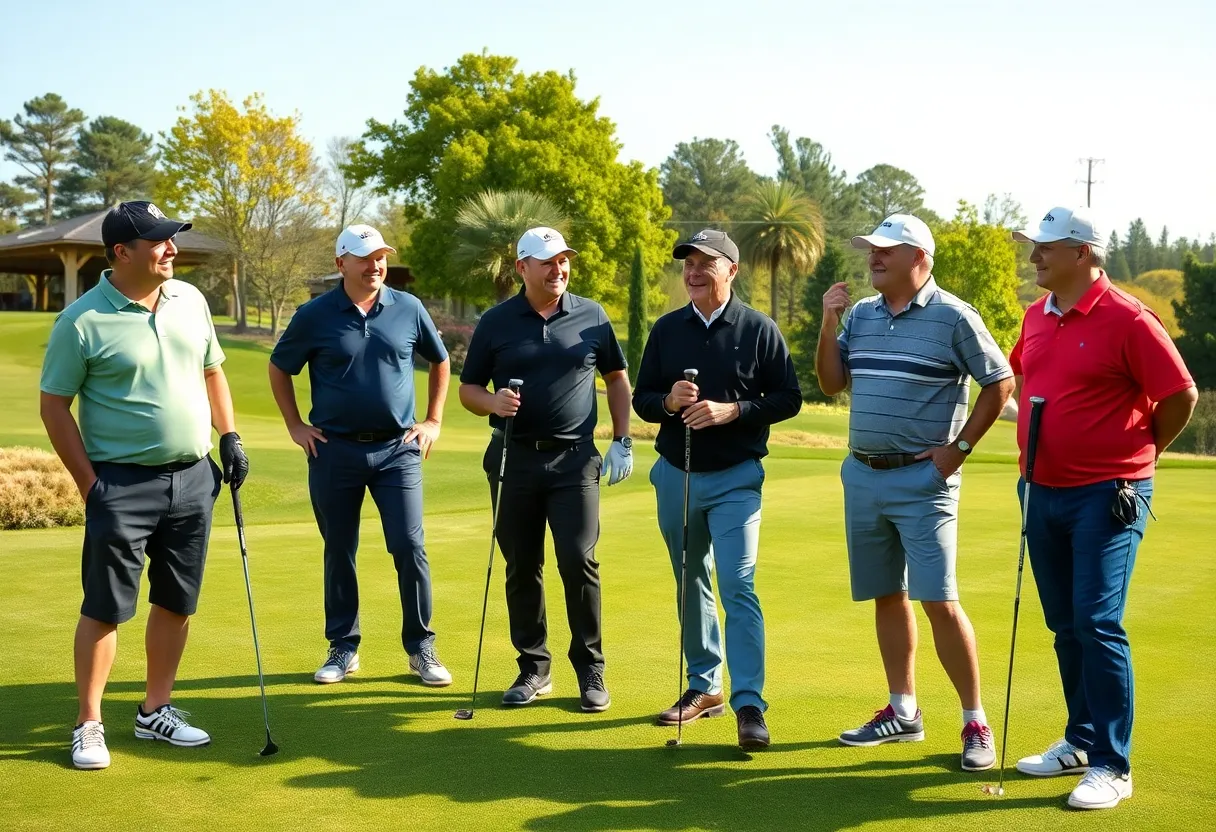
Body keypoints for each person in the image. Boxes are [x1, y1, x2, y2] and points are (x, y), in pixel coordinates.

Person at [39, 200, 249, 770]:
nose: (171, 249)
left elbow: (212, 369)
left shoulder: (190, 300)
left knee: (177, 602)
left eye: (171, 238)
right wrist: (91, 486)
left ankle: (156, 709)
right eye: (158, 241)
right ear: (121, 253)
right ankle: (88, 722)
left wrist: (227, 436)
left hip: (193, 476)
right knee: (105, 607)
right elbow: (54, 406)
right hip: (121, 484)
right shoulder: (81, 321)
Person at [1008, 206, 1197, 809]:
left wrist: (1137, 456)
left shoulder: (1129, 319)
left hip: (1108, 494)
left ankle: (1114, 764)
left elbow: (1179, 394)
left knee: (1096, 621)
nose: (1035, 256)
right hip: (1040, 489)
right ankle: (1082, 740)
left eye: (1046, 248)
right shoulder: (1036, 315)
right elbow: (1027, 381)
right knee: (1064, 624)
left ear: (1084, 253)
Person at [816, 214, 1014, 771]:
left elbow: (1000, 382)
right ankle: (903, 711)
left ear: (918, 258)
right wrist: (828, 321)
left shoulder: (953, 316)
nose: (873, 258)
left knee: (939, 600)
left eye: (886, 250)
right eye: (870, 250)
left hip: (923, 482)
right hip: (863, 473)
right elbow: (833, 383)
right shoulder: (861, 314)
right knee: (887, 594)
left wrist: (959, 449)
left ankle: (975, 720)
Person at [633, 229, 801, 750]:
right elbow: (642, 398)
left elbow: (788, 398)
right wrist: (667, 402)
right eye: (688, 263)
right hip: (674, 475)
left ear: (731, 270)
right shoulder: (666, 330)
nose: (694, 271)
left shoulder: (758, 329)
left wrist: (735, 411)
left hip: (735, 479)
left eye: (707, 262)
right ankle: (704, 688)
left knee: (738, 585)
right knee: (690, 582)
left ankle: (749, 703)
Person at [268, 224, 453, 687]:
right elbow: (279, 367)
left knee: (410, 547)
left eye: (381, 257)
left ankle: (421, 647)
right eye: (366, 257)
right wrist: (294, 424)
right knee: (340, 550)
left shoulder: (407, 307)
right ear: (341, 264)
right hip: (334, 450)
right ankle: (343, 647)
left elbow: (441, 361)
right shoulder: (314, 315)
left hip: (398, 450)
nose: (376, 265)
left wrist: (432, 420)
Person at [458, 227, 633, 713]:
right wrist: (492, 401)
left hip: (575, 458)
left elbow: (617, 378)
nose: (559, 269)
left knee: (579, 559)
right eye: (548, 262)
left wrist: (622, 439)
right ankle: (534, 667)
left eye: (564, 261)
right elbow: (468, 389)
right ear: (522, 268)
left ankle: (590, 667)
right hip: (513, 457)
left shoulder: (591, 315)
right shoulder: (496, 321)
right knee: (521, 564)